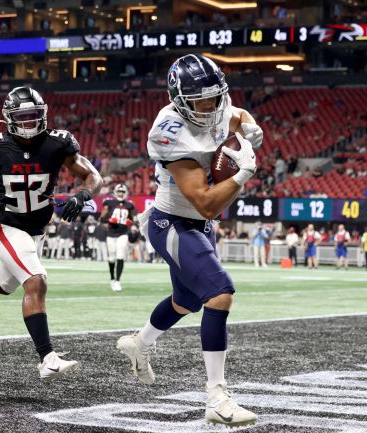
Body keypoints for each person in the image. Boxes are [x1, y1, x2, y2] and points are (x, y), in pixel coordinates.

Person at [116, 54, 261, 427]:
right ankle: (216, 396)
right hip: (172, 222)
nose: (210, 106)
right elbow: (207, 204)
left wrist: (250, 123)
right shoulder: (168, 130)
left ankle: (140, 343)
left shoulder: (216, 101)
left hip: (198, 226)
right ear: (180, 100)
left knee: (185, 301)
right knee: (220, 293)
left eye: (215, 98)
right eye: (201, 101)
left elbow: (235, 112)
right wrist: (243, 172)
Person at [0, 86, 102, 379]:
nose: (29, 123)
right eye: (22, 117)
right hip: (8, 225)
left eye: (34, 116)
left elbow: (92, 175)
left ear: (44, 115)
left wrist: (82, 196)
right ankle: (47, 358)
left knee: (3, 284)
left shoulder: (58, 142)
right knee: (36, 282)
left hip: (36, 229)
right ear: (9, 118)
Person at [101, 184, 135, 292]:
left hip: (123, 233)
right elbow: (102, 218)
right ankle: (112, 278)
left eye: (122, 192)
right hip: (111, 233)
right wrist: (109, 220)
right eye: (119, 192)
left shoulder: (129, 205)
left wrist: (131, 222)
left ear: (125, 193)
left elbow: (132, 218)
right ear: (116, 192)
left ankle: (117, 281)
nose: (120, 194)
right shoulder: (109, 203)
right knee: (111, 258)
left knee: (120, 255)